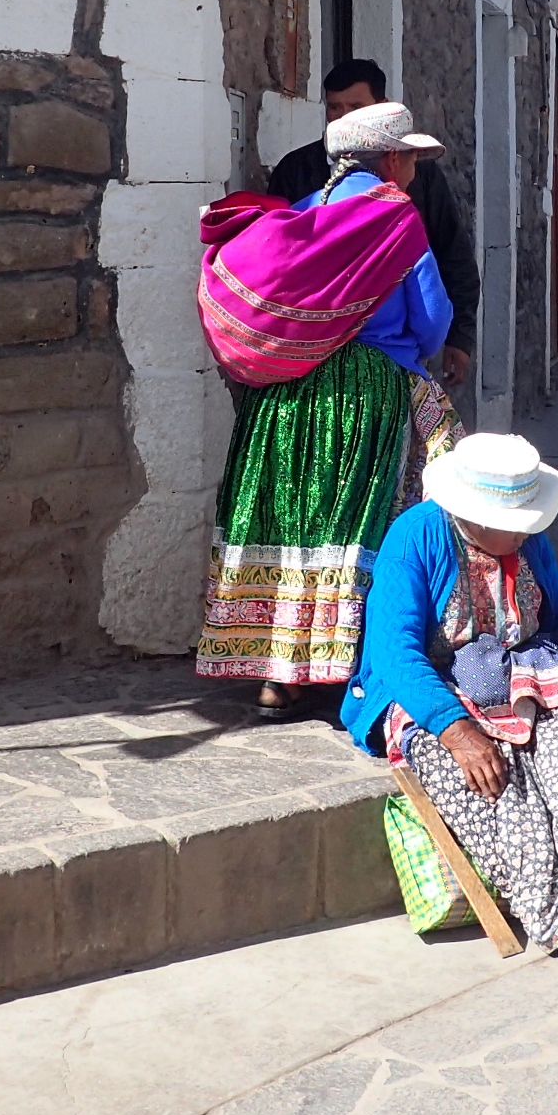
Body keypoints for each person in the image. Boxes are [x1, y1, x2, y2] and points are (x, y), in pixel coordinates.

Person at [343, 434, 558, 967]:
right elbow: (395, 654)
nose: (528, 534)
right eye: (515, 524)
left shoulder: (526, 539)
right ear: (472, 517)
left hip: (516, 667)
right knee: (494, 772)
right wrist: (458, 732)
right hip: (432, 685)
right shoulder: (415, 537)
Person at [198, 102, 463, 720]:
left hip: (284, 394)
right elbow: (431, 320)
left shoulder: (299, 215)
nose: (415, 171)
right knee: (379, 517)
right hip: (365, 390)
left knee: (288, 518)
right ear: (394, 160)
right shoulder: (394, 218)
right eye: (413, 159)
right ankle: (366, 664)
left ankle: (276, 674)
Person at [268, 59, 478, 391]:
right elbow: (432, 319)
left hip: (298, 379)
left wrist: (461, 337)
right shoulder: (297, 171)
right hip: (372, 379)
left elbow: (453, 253)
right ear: (396, 159)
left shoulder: (422, 180)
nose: (343, 117)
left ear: (379, 106)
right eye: (335, 107)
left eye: (355, 107)